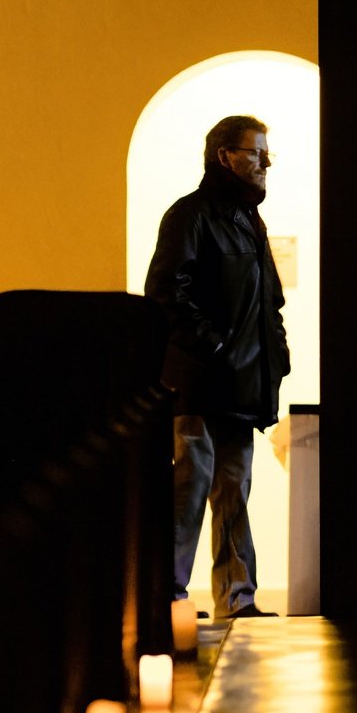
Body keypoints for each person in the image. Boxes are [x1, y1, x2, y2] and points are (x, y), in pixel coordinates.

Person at [144, 115, 292, 621]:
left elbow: (268, 300)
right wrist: (217, 347)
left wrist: (275, 355)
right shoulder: (191, 215)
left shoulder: (248, 220)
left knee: (234, 492)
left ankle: (236, 599)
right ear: (224, 155)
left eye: (265, 152)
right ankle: (166, 598)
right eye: (255, 152)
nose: (264, 161)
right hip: (201, 381)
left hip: (240, 382)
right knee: (188, 489)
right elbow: (166, 293)